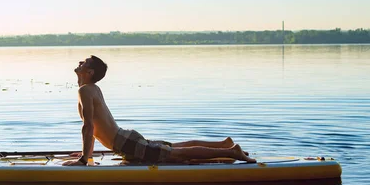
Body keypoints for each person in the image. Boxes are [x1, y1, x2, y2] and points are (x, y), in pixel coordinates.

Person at [63, 55, 256, 166]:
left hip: (126, 143)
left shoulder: (85, 90)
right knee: (175, 147)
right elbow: (96, 127)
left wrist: (83, 160)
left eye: (84, 63)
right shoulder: (91, 89)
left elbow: (89, 127)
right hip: (125, 140)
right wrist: (86, 154)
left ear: (90, 73)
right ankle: (223, 145)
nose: (80, 62)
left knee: (178, 154)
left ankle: (232, 153)